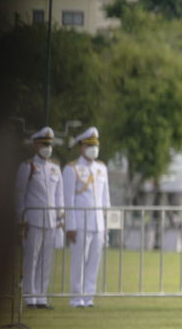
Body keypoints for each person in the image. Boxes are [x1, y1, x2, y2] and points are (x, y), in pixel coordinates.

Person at [15, 127, 63, 309]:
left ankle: (41, 297)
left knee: (46, 261)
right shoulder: (27, 166)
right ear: (36, 145)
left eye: (50, 144)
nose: (48, 147)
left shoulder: (55, 168)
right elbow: (19, 194)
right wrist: (22, 219)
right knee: (31, 260)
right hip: (32, 222)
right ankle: (29, 297)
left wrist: (60, 221)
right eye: (44, 144)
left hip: (51, 221)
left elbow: (60, 198)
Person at [63, 127, 111, 308]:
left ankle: (88, 297)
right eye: (90, 145)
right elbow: (68, 201)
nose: (94, 149)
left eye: (95, 145)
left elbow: (106, 199)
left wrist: (106, 223)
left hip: (98, 224)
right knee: (78, 263)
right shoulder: (72, 168)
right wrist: (70, 226)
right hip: (80, 224)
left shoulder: (101, 168)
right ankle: (76, 298)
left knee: (93, 263)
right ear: (82, 147)